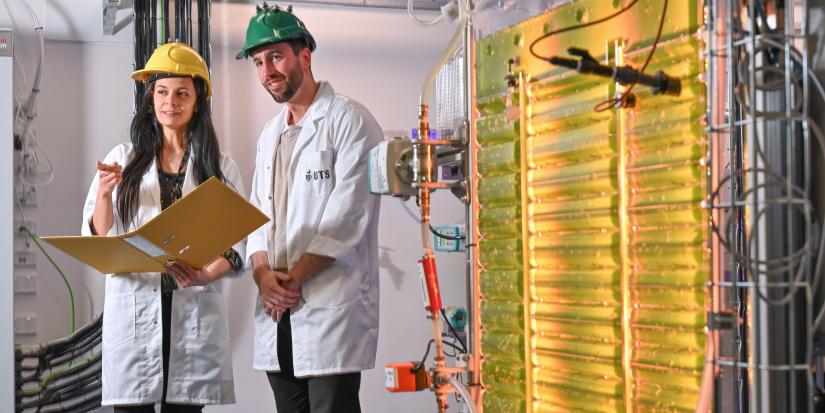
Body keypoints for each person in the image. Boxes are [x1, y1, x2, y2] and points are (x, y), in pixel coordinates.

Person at [80, 43, 244, 412]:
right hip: (136, 308)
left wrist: (206, 274)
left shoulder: (218, 167)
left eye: (182, 93)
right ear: (150, 97)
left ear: (198, 101)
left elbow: (239, 241)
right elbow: (99, 237)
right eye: (162, 91)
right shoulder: (121, 158)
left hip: (192, 307)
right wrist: (106, 194)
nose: (171, 101)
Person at [237, 4, 383, 413]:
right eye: (258, 62)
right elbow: (257, 217)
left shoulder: (349, 121)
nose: (267, 70)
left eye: (276, 56)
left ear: (304, 56)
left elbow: (346, 219)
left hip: (326, 310)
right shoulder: (270, 135)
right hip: (277, 314)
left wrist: (290, 282)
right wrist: (263, 274)